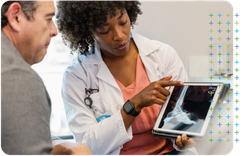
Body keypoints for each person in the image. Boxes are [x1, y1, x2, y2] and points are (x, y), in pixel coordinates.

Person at [57, 0, 196, 155]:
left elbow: (184, 114)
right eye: (104, 30)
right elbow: (87, 145)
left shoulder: (163, 55)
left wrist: (185, 138)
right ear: (88, 31)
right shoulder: (77, 75)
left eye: (123, 22)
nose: (119, 35)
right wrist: (135, 104)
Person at [0, 0, 92, 155]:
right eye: (48, 18)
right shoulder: (17, 78)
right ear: (16, 17)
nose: (54, 30)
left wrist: (56, 144)